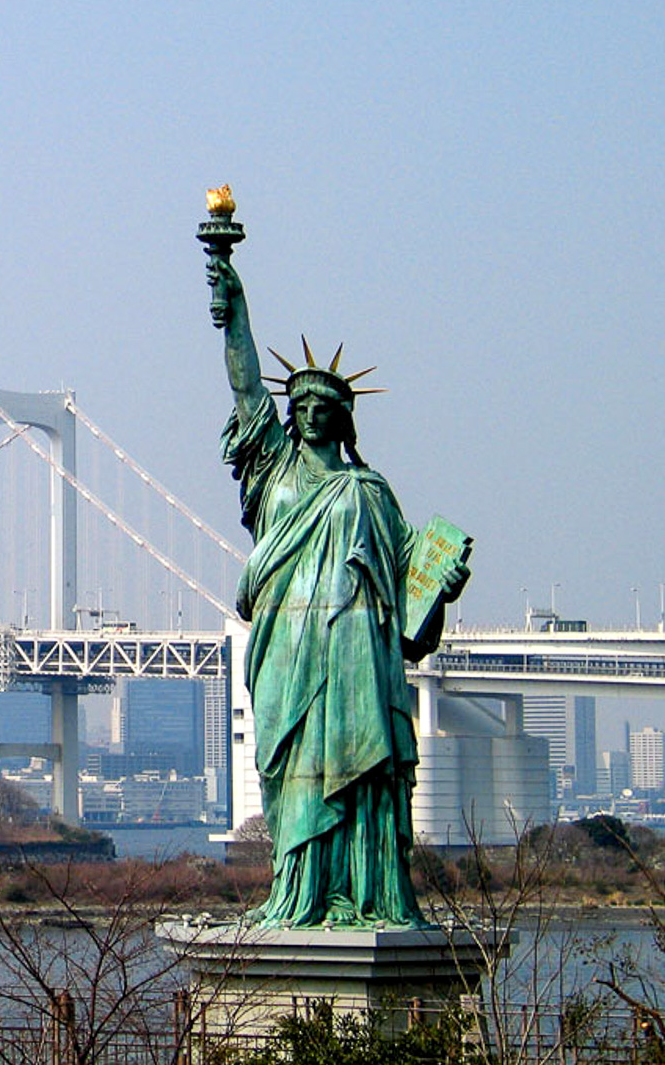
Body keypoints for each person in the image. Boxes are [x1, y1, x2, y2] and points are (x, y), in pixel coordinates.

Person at [207, 253, 467, 929]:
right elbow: (244, 390)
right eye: (303, 405)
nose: (314, 413)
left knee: (362, 772)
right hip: (286, 648)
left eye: (327, 405)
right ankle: (296, 894)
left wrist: (444, 587)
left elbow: (410, 595)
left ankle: (364, 892)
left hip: (355, 650)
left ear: (345, 417)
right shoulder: (272, 468)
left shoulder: (370, 491)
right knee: (293, 773)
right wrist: (233, 300)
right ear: (290, 414)